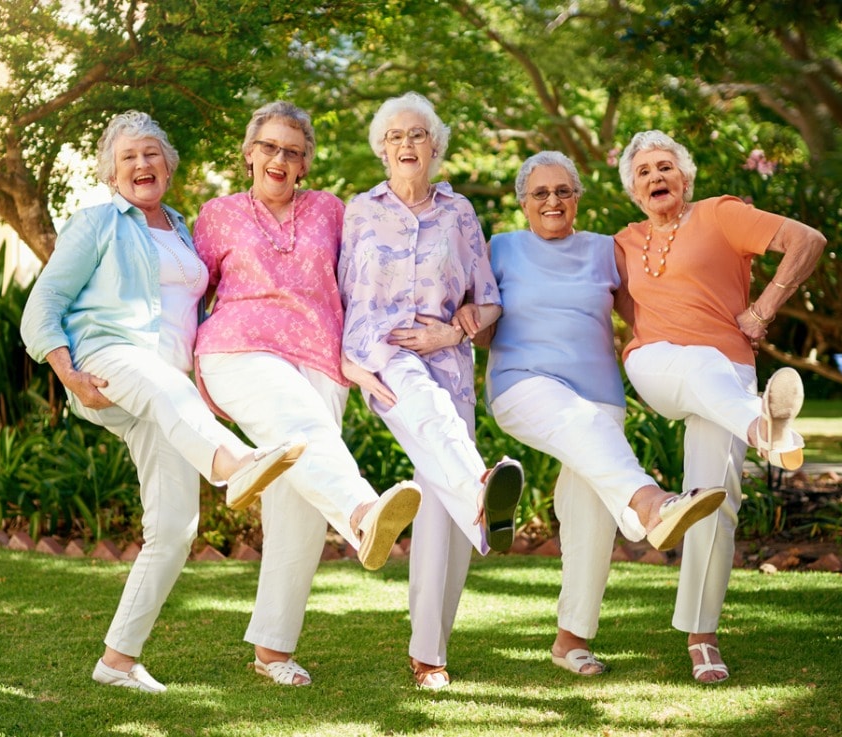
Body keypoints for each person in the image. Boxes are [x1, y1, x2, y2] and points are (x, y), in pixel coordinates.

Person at [20, 111, 306, 694]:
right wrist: (69, 373)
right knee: (163, 384)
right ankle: (234, 465)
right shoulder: (97, 223)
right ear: (111, 172)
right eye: (128, 157)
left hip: (172, 388)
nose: (141, 165)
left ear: (168, 166)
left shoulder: (181, 227)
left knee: (175, 528)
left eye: (151, 154)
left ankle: (117, 660)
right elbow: (41, 304)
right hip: (111, 357)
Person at [462, 150, 727, 677]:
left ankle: (571, 641)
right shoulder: (502, 248)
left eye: (563, 191)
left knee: (590, 515)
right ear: (523, 202)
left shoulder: (607, 250)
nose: (553, 201)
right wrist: (470, 317)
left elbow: (647, 313)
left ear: (578, 197)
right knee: (583, 430)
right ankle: (651, 506)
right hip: (524, 385)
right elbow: (485, 325)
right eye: (540, 193)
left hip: (599, 391)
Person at [192, 101, 422, 687]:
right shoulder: (216, 216)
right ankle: (364, 512)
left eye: (291, 151)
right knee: (302, 432)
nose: (278, 158)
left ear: (305, 164)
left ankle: (273, 649)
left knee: (297, 500)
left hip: (321, 357)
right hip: (239, 349)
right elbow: (190, 293)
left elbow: (365, 276)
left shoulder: (331, 211)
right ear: (249, 153)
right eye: (268, 146)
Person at [614, 130, 826, 682]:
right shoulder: (623, 241)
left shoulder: (721, 214)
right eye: (644, 172)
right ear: (634, 191)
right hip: (656, 364)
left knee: (715, 500)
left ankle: (702, 636)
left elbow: (808, 240)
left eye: (666, 167)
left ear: (685, 178)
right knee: (701, 365)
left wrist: (761, 311)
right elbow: (596, 299)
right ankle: (765, 428)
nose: (656, 177)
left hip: (728, 375)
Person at [338, 91, 525, 690]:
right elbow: (340, 295)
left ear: (435, 146)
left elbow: (488, 298)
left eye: (417, 135)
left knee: (442, 513)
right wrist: (349, 363)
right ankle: (482, 493)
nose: (406, 145)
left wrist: (454, 327)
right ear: (381, 149)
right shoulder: (359, 211)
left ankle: (430, 656)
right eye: (394, 136)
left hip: (449, 363)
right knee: (428, 415)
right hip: (384, 357)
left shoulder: (460, 212)